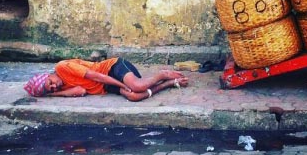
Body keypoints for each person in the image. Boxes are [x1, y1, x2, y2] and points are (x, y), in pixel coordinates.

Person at [23, 57, 188, 102]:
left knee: (136, 87)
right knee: (134, 96)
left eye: (49, 83)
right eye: (49, 90)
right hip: (107, 86)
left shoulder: (62, 67)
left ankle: (162, 75)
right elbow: (80, 91)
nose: (53, 87)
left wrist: (121, 83)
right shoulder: (60, 88)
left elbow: (96, 76)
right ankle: (166, 84)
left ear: (48, 75)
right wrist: (53, 95)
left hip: (112, 68)